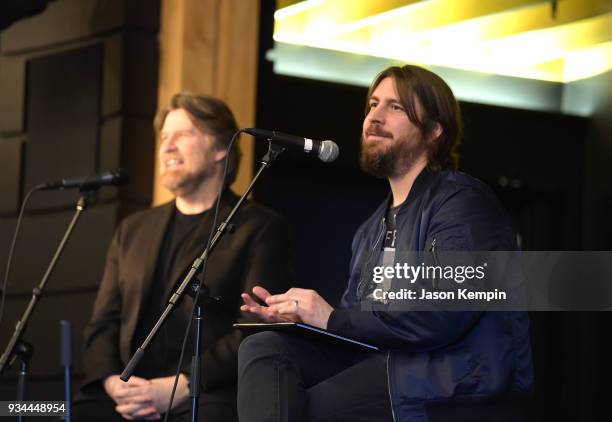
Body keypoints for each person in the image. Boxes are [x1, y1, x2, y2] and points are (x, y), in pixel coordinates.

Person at [237, 65, 534, 421]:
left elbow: (442, 315)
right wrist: (302, 320)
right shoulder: (369, 230)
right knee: (265, 347)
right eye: (373, 105)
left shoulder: (462, 203)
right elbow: (359, 327)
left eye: (395, 107)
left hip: (452, 378)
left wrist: (330, 318)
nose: (375, 117)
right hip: (388, 365)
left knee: (314, 409)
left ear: (435, 130)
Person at [74, 93, 293, 421]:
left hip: (204, 391)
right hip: (125, 394)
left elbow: (255, 327)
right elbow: (103, 323)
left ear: (220, 149)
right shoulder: (132, 230)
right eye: (164, 138)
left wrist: (183, 383)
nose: (167, 147)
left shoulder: (259, 228)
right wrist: (111, 381)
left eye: (182, 135)